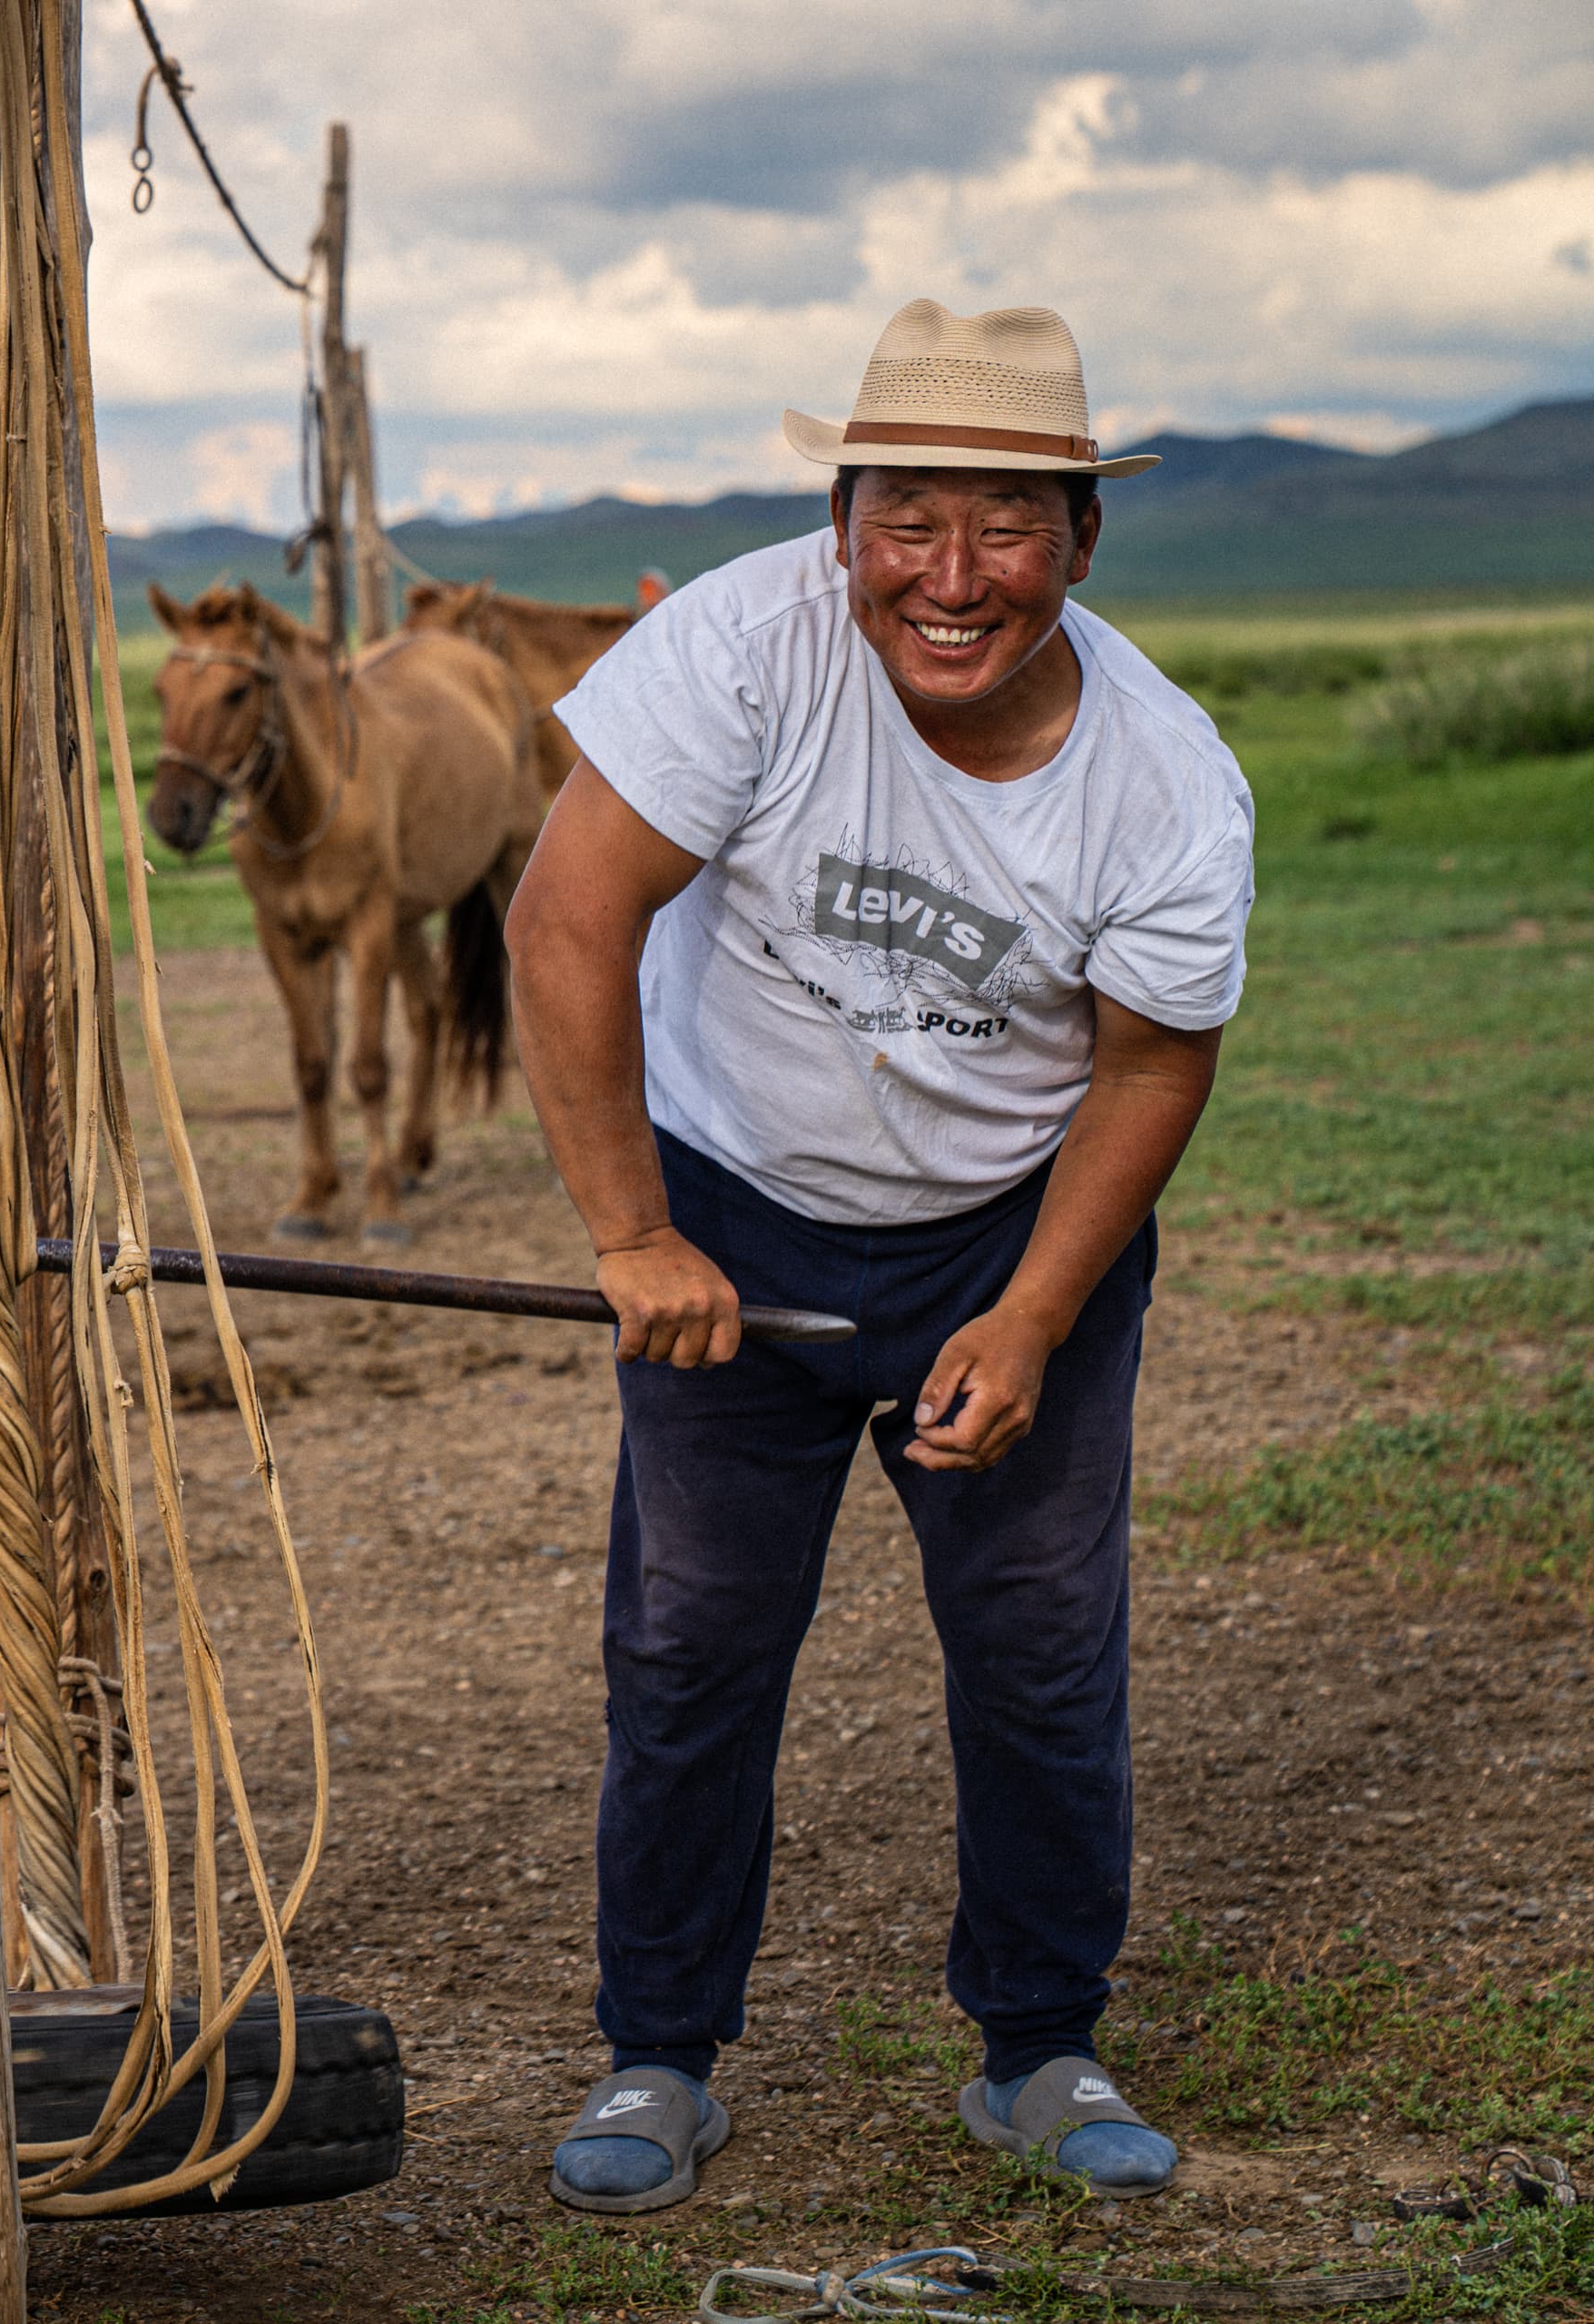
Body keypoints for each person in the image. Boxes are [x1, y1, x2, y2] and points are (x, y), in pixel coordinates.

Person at [504, 301, 1254, 2214]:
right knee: (692, 1641)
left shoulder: (1167, 779)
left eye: (1006, 526)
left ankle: (1038, 2045)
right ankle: (659, 2051)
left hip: (1010, 1230)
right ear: (840, 519)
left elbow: (1157, 1058)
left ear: (1082, 543)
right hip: (728, 1216)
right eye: (905, 517)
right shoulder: (741, 651)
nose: (951, 575)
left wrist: (1033, 1310)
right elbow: (569, 919)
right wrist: (633, 1231)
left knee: (1036, 1643)